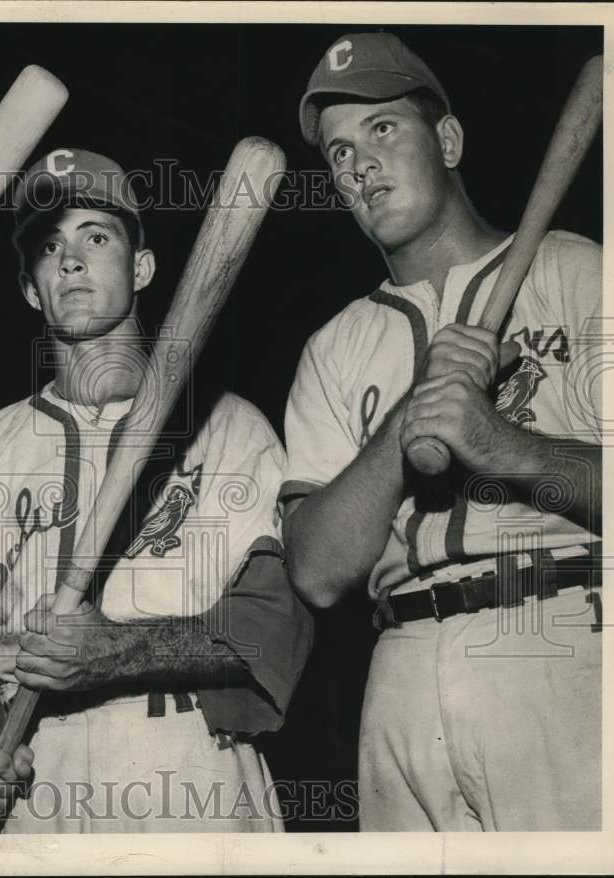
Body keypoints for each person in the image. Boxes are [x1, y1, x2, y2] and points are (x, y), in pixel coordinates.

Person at [0, 148, 313, 833]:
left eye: (97, 236)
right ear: (30, 286)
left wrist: (117, 650)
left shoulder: (228, 427)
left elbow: (270, 630)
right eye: (48, 246)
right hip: (32, 769)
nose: (71, 260)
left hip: (185, 760)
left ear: (142, 268)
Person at [282, 33, 602, 831]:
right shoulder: (334, 345)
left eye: (383, 129)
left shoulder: (577, 273)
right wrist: (403, 424)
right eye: (339, 153)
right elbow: (317, 571)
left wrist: (499, 443)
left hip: (562, 632)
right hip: (401, 665)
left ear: (448, 140)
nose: (358, 165)